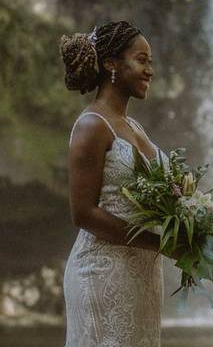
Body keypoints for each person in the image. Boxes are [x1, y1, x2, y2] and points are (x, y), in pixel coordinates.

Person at [60, 20, 165, 347]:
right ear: (111, 65)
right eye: (142, 59)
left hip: (142, 274)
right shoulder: (93, 125)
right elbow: (83, 213)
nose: (150, 70)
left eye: (150, 61)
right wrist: (161, 242)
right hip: (102, 271)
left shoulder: (132, 125)